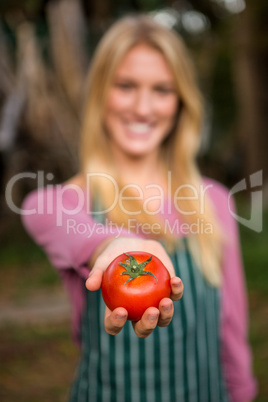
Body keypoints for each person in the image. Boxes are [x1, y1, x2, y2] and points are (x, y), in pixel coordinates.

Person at [21, 14, 257, 402]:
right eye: (126, 86)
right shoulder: (67, 203)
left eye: (162, 89)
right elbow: (39, 211)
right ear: (100, 94)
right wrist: (110, 246)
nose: (143, 107)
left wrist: (243, 393)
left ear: (181, 102)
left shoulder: (213, 201)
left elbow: (231, 331)